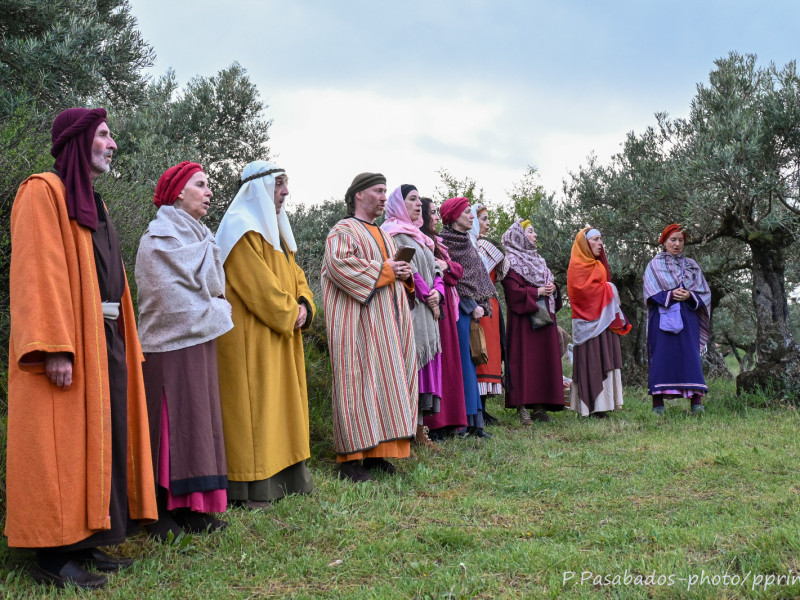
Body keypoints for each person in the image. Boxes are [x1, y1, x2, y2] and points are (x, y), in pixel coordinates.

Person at [5, 108, 157, 589]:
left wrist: (126, 341)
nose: (113, 145)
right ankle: (51, 555)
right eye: (105, 135)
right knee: (59, 445)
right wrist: (54, 346)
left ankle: (87, 543)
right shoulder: (41, 192)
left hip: (105, 339)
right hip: (70, 343)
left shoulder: (96, 203)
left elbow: (112, 276)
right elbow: (37, 273)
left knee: (102, 440)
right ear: (78, 140)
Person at [136, 162, 233, 539]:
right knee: (170, 425)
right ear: (178, 191)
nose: (209, 192)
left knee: (198, 422)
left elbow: (213, 289)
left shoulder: (204, 237)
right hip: (166, 346)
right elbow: (168, 300)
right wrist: (218, 310)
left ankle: (193, 508)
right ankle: (158, 511)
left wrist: (213, 307)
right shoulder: (156, 240)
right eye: (201, 185)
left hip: (201, 342)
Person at [214, 160, 315, 507]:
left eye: (285, 184)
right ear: (259, 188)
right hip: (250, 340)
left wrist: (305, 305)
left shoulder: (276, 231)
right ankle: (252, 488)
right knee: (256, 411)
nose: (285, 191)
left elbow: (296, 274)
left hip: (281, 333)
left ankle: (288, 480)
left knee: (279, 408)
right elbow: (258, 287)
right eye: (279, 184)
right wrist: (291, 313)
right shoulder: (239, 230)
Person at [322, 172, 418, 482]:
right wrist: (386, 269)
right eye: (378, 191)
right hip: (357, 325)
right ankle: (350, 460)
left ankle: (379, 453)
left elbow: (393, 275)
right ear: (358, 195)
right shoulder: (343, 231)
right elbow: (341, 267)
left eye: (384, 191)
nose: (382, 197)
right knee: (357, 384)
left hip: (387, 324)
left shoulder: (386, 235)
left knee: (386, 383)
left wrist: (403, 273)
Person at [382, 185, 444, 450]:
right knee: (412, 364)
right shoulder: (392, 233)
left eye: (420, 199)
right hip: (412, 308)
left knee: (424, 368)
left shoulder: (420, 237)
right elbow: (409, 270)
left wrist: (438, 293)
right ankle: (406, 430)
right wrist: (427, 293)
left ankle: (420, 429)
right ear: (398, 203)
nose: (419, 204)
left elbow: (437, 269)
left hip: (429, 307)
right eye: (412, 199)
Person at [439, 197, 498, 438]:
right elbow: (454, 280)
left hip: (471, 311)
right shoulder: (444, 243)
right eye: (466, 213)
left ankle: (475, 422)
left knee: (470, 365)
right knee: (462, 365)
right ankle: (462, 423)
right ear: (453, 217)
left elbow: (477, 276)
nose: (471, 216)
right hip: (456, 312)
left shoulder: (467, 241)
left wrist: (481, 303)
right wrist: (471, 304)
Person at [499, 220, 565, 423]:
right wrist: (536, 291)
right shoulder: (510, 262)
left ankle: (540, 406)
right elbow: (512, 293)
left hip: (544, 318)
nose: (535, 235)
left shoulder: (539, 261)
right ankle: (522, 407)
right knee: (523, 361)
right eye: (530, 232)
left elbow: (550, 284)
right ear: (518, 236)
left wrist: (553, 288)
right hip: (524, 322)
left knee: (542, 361)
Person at [644, 224, 712, 415]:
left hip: (688, 319)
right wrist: (671, 294)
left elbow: (704, 293)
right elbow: (649, 293)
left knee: (690, 358)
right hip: (661, 319)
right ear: (664, 242)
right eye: (672, 240)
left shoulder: (692, 265)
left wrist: (689, 296)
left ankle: (696, 402)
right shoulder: (654, 265)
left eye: (680, 240)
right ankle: (658, 404)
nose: (677, 244)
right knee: (662, 359)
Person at [566, 227, 632, 418]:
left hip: (604, 323)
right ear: (584, 243)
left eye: (601, 239)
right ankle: (590, 407)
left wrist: (606, 288)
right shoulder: (576, 267)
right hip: (586, 325)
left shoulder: (599, 266)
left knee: (604, 358)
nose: (600, 243)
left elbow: (600, 288)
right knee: (592, 360)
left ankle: (606, 404)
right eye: (595, 239)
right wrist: (609, 289)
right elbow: (581, 294)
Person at [420, 197, 469, 440]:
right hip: (433, 306)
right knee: (437, 363)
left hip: (446, 306)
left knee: (451, 365)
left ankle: (452, 421)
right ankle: (435, 423)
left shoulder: (437, 243)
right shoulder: (422, 242)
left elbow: (457, 271)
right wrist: (445, 268)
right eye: (432, 213)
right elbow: (448, 274)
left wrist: (445, 265)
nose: (436, 218)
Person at [469, 204, 505, 424]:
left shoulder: (485, 246)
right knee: (479, 350)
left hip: (491, 303)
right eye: (483, 219)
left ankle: (484, 407)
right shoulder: (475, 246)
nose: (488, 223)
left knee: (491, 353)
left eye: (489, 219)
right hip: (479, 304)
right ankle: (478, 407)